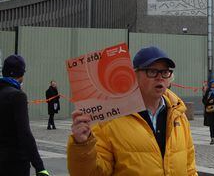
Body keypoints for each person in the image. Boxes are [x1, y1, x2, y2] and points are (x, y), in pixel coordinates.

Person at [67, 46, 197, 175]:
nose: (160, 77)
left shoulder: (178, 115)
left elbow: (190, 169)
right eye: (152, 71)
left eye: (164, 72)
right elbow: (93, 173)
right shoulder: (109, 120)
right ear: (134, 76)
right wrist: (82, 145)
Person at [0, 54, 49, 176]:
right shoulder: (17, 96)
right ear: (21, 74)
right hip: (14, 162)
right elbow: (24, 133)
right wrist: (39, 166)